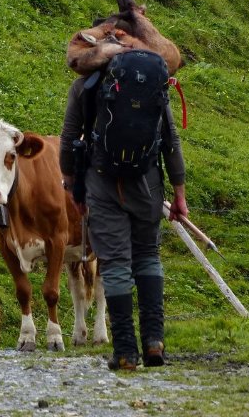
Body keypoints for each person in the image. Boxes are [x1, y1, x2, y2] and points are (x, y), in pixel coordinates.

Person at [59, 67, 188, 371]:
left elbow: (67, 139)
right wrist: (179, 192)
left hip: (102, 183)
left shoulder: (84, 85)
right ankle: (154, 341)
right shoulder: (154, 81)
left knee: (115, 262)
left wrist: (70, 183)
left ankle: (126, 351)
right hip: (149, 183)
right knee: (147, 255)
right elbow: (171, 140)